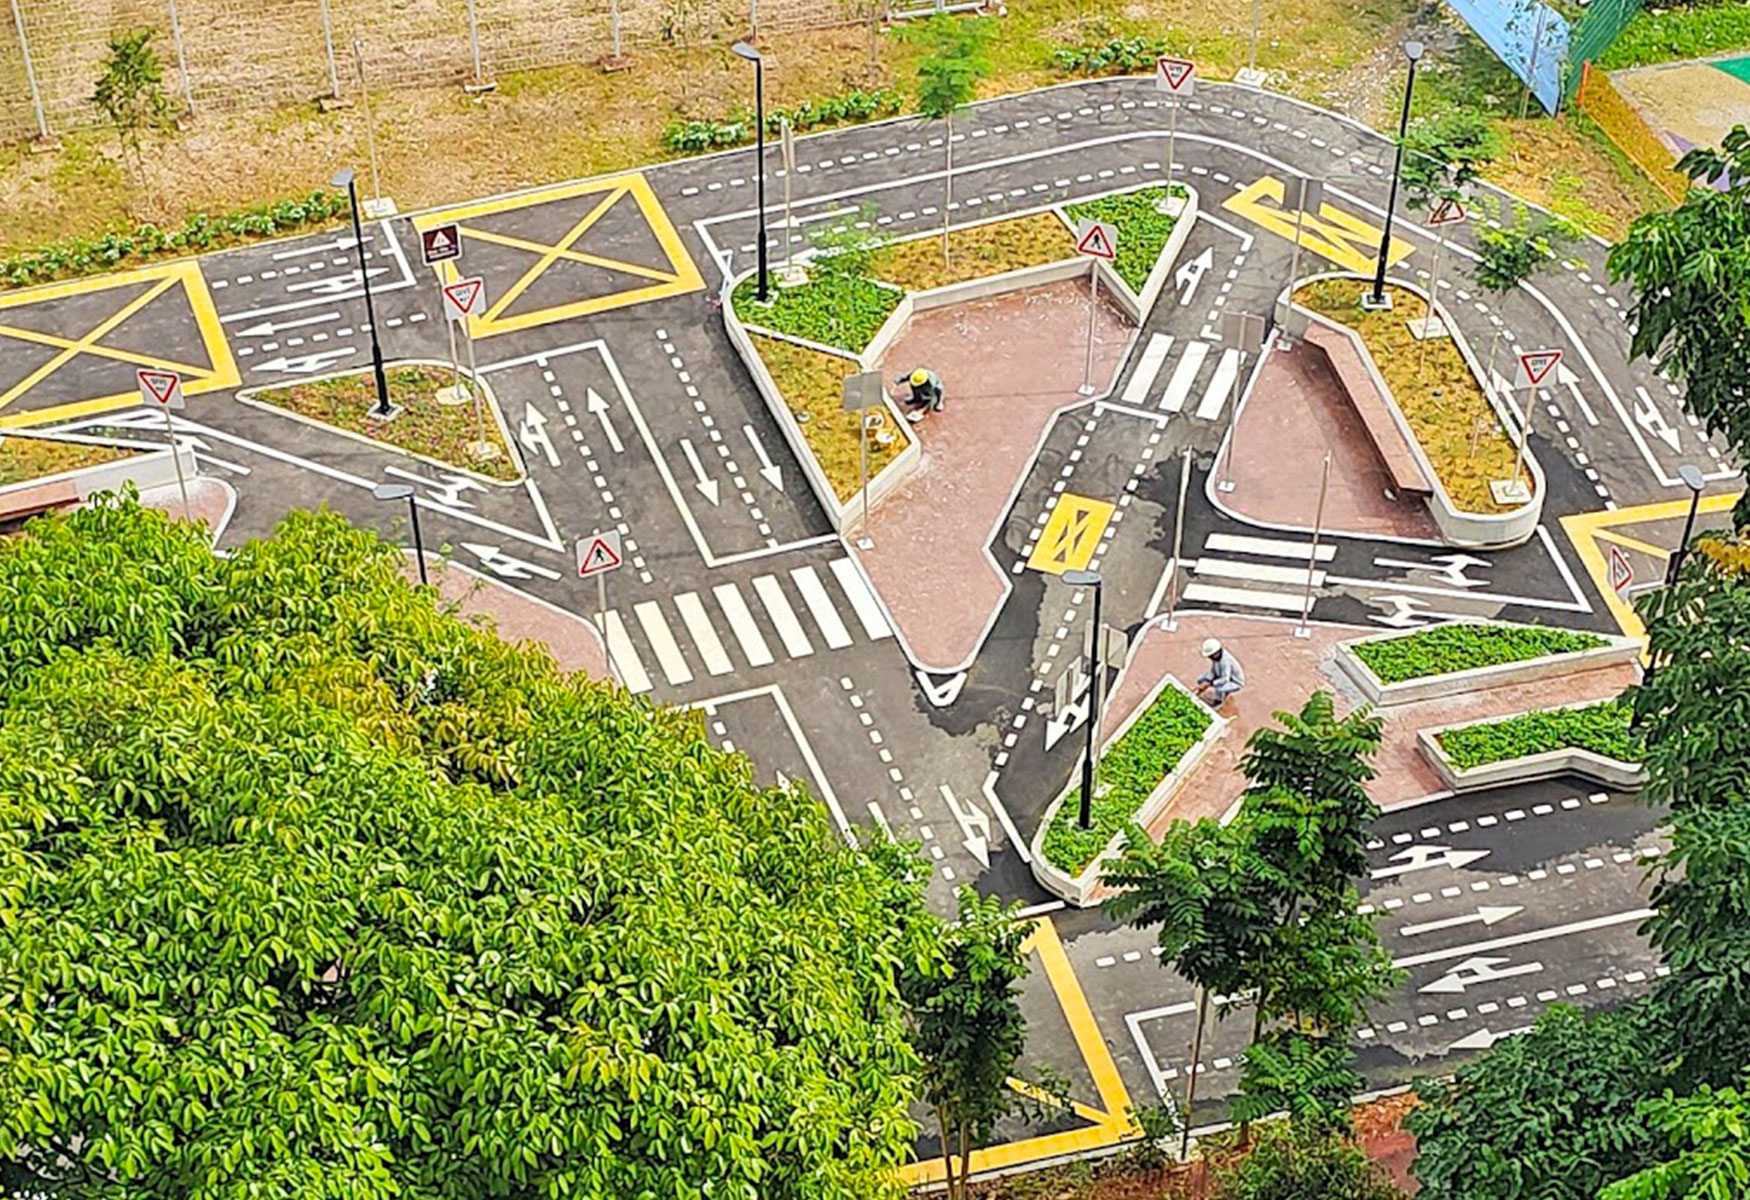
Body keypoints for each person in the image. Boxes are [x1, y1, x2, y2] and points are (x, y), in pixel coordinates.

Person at [1195, 638, 1245, 708]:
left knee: (1219, 688)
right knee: (1201, 679)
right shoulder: (1216, 659)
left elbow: (1225, 679)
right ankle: (1222, 692)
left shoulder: (1225, 661)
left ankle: (1219, 701)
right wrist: (1207, 681)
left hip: (1233, 681)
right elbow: (1213, 671)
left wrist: (1210, 684)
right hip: (1220, 676)